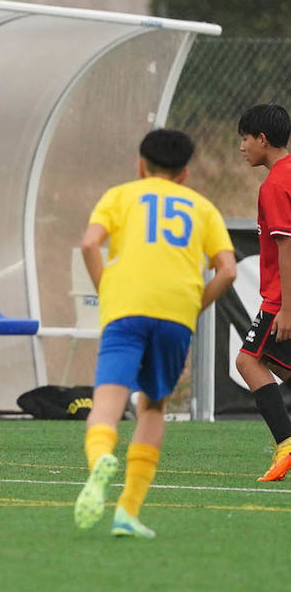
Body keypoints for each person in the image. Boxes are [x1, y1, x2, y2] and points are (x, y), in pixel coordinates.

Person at [73, 129, 235, 537]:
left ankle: (99, 462)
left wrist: (106, 290)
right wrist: (192, 306)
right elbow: (229, 270)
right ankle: (127, 511)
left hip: (125, 308)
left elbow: (90, 244)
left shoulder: (120, 195)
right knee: (154, 405)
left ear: (140, 164)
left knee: (107, 403)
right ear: (184, 173)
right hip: (175, 313)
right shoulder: (202, 207)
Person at [234, 103, 291, 480]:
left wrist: (286, 308)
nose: (241, 147)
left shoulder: (274, 184)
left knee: (248, 362)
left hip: (281, 298)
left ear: (263, 140)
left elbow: (286, 247)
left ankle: (286, 446)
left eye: (245, 138)